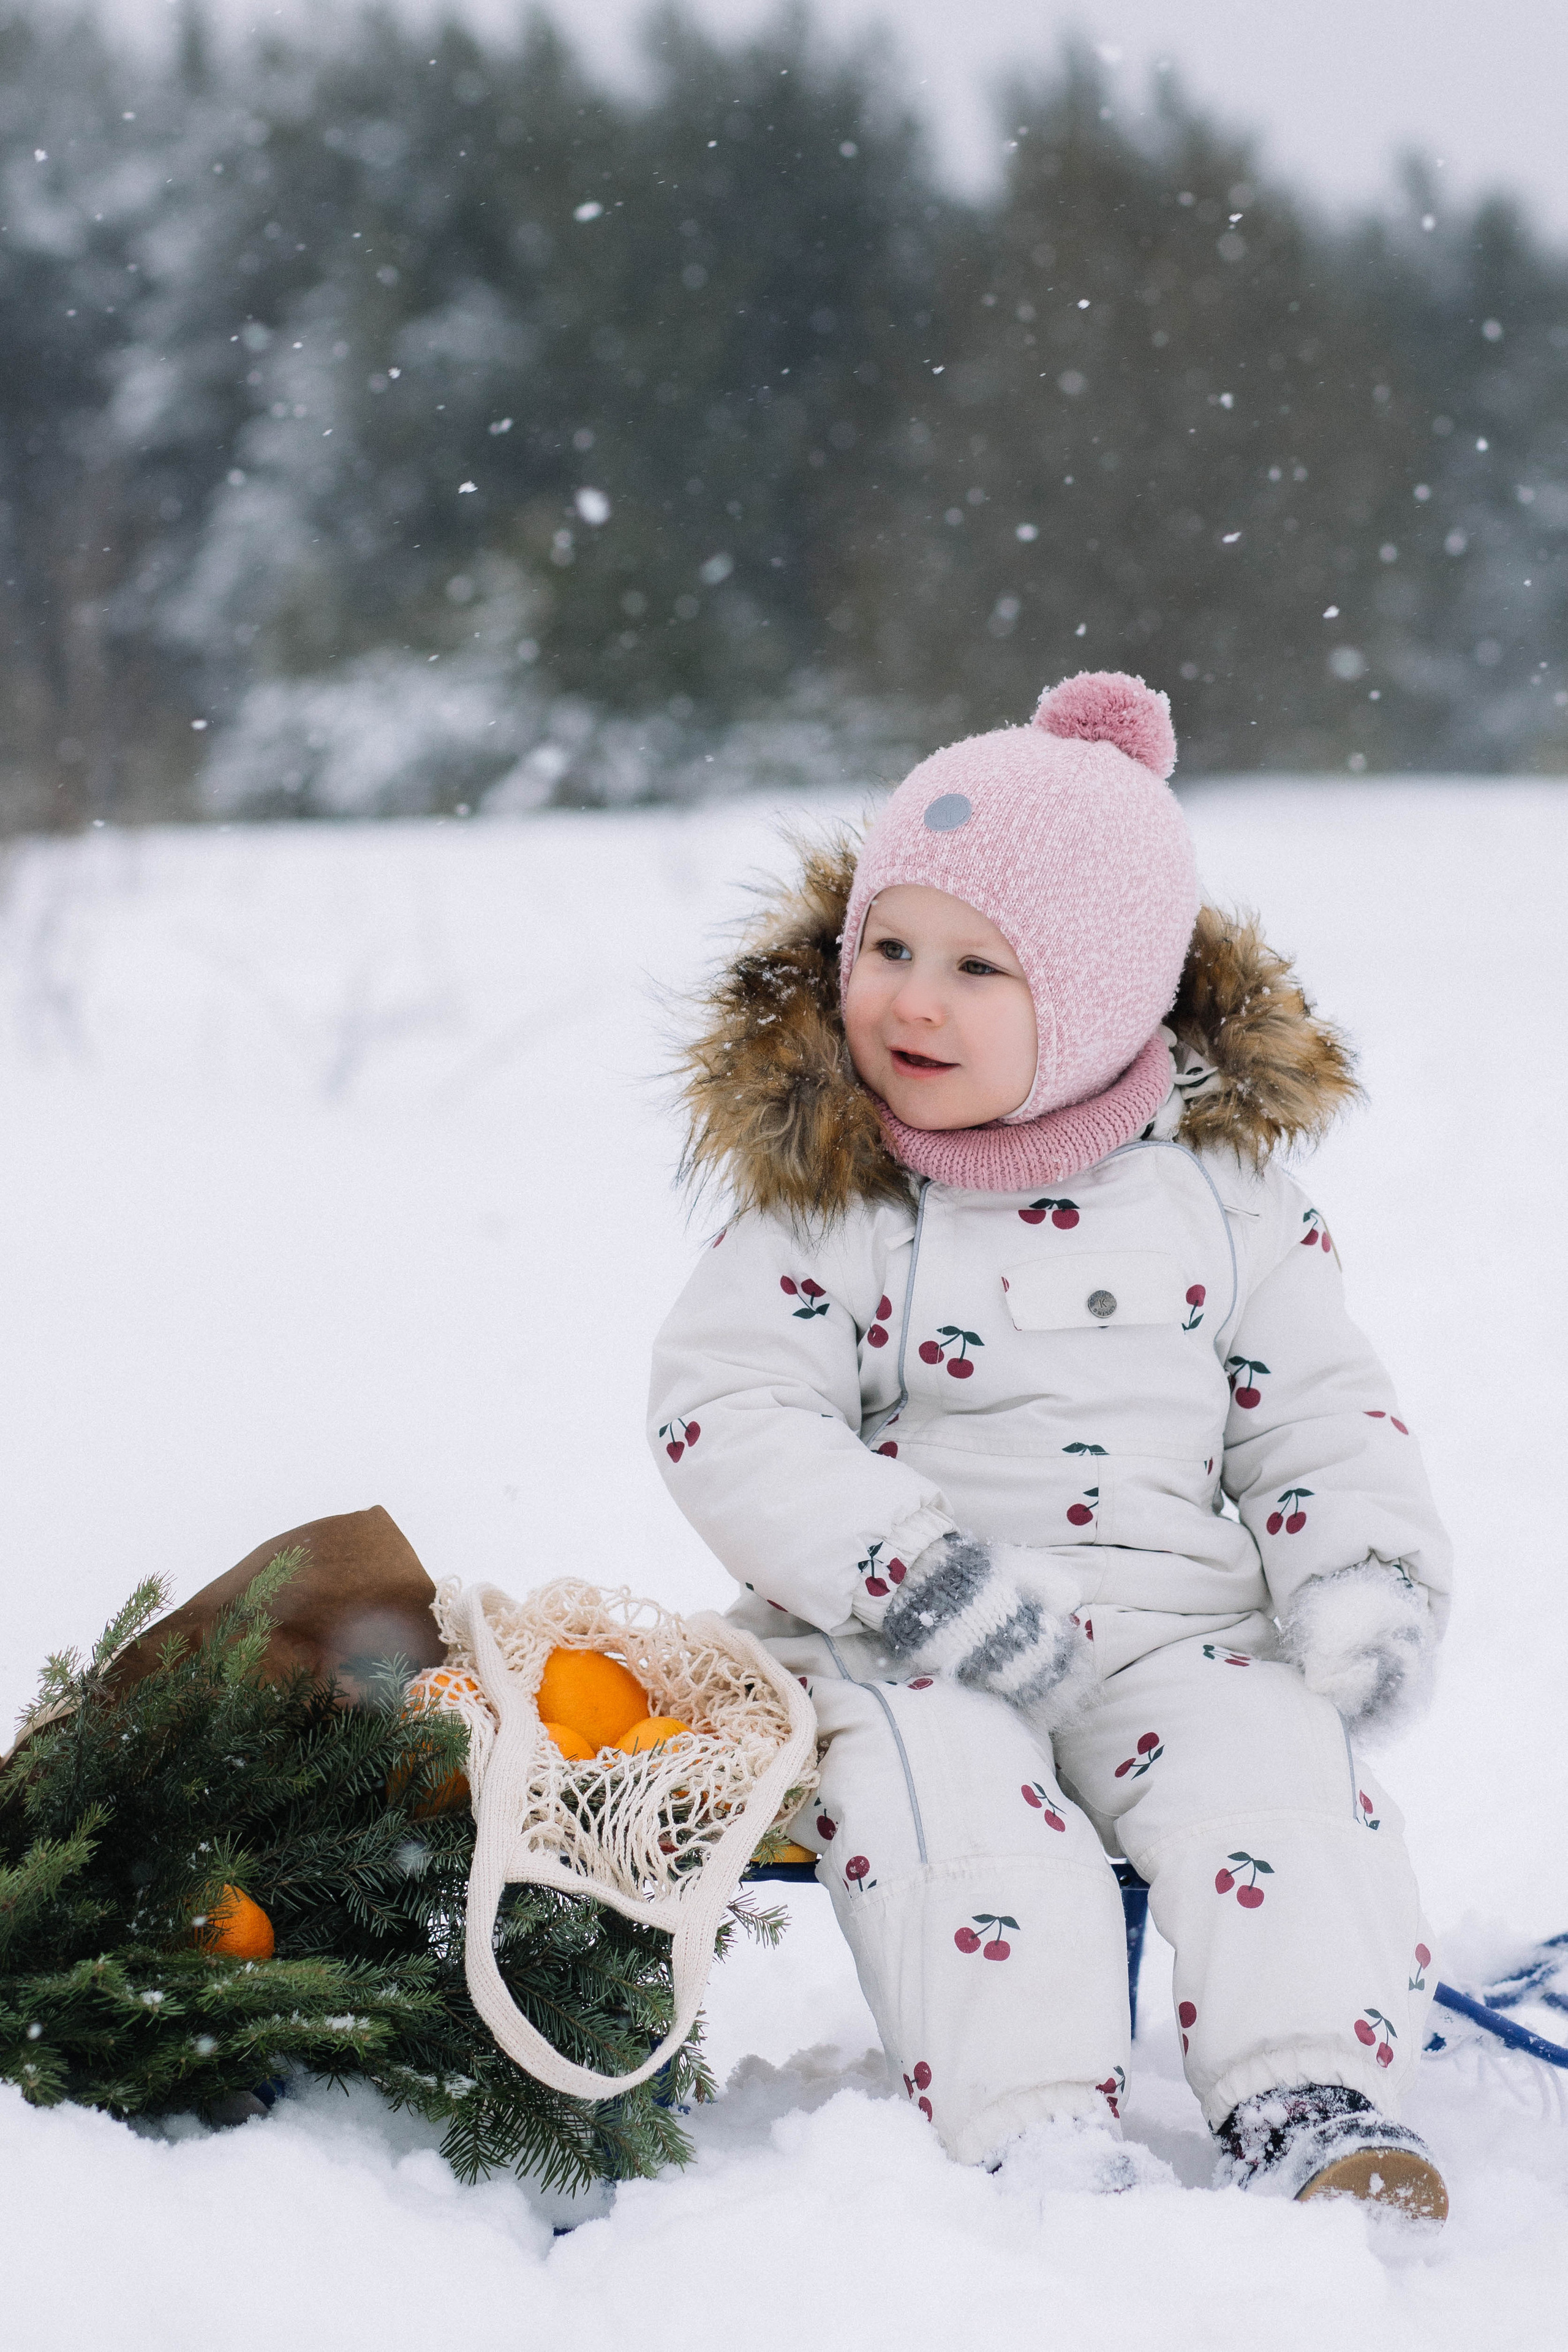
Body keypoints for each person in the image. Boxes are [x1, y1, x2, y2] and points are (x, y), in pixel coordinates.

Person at [648, 671, 1450, 2217]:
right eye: (885, 949)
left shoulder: (1225, 1202)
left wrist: (1360, 1576)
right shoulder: (838, 1200)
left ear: (1099, 1000)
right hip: (912, 1638)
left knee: (1274, 1781)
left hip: (1180, 1632)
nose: (909, 1001)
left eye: (975, 967)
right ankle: (1033, 2127)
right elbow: (730, 1409)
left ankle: (1304, 2093)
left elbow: (1318, 1412)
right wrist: (912, 1577)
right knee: (951, 1809)